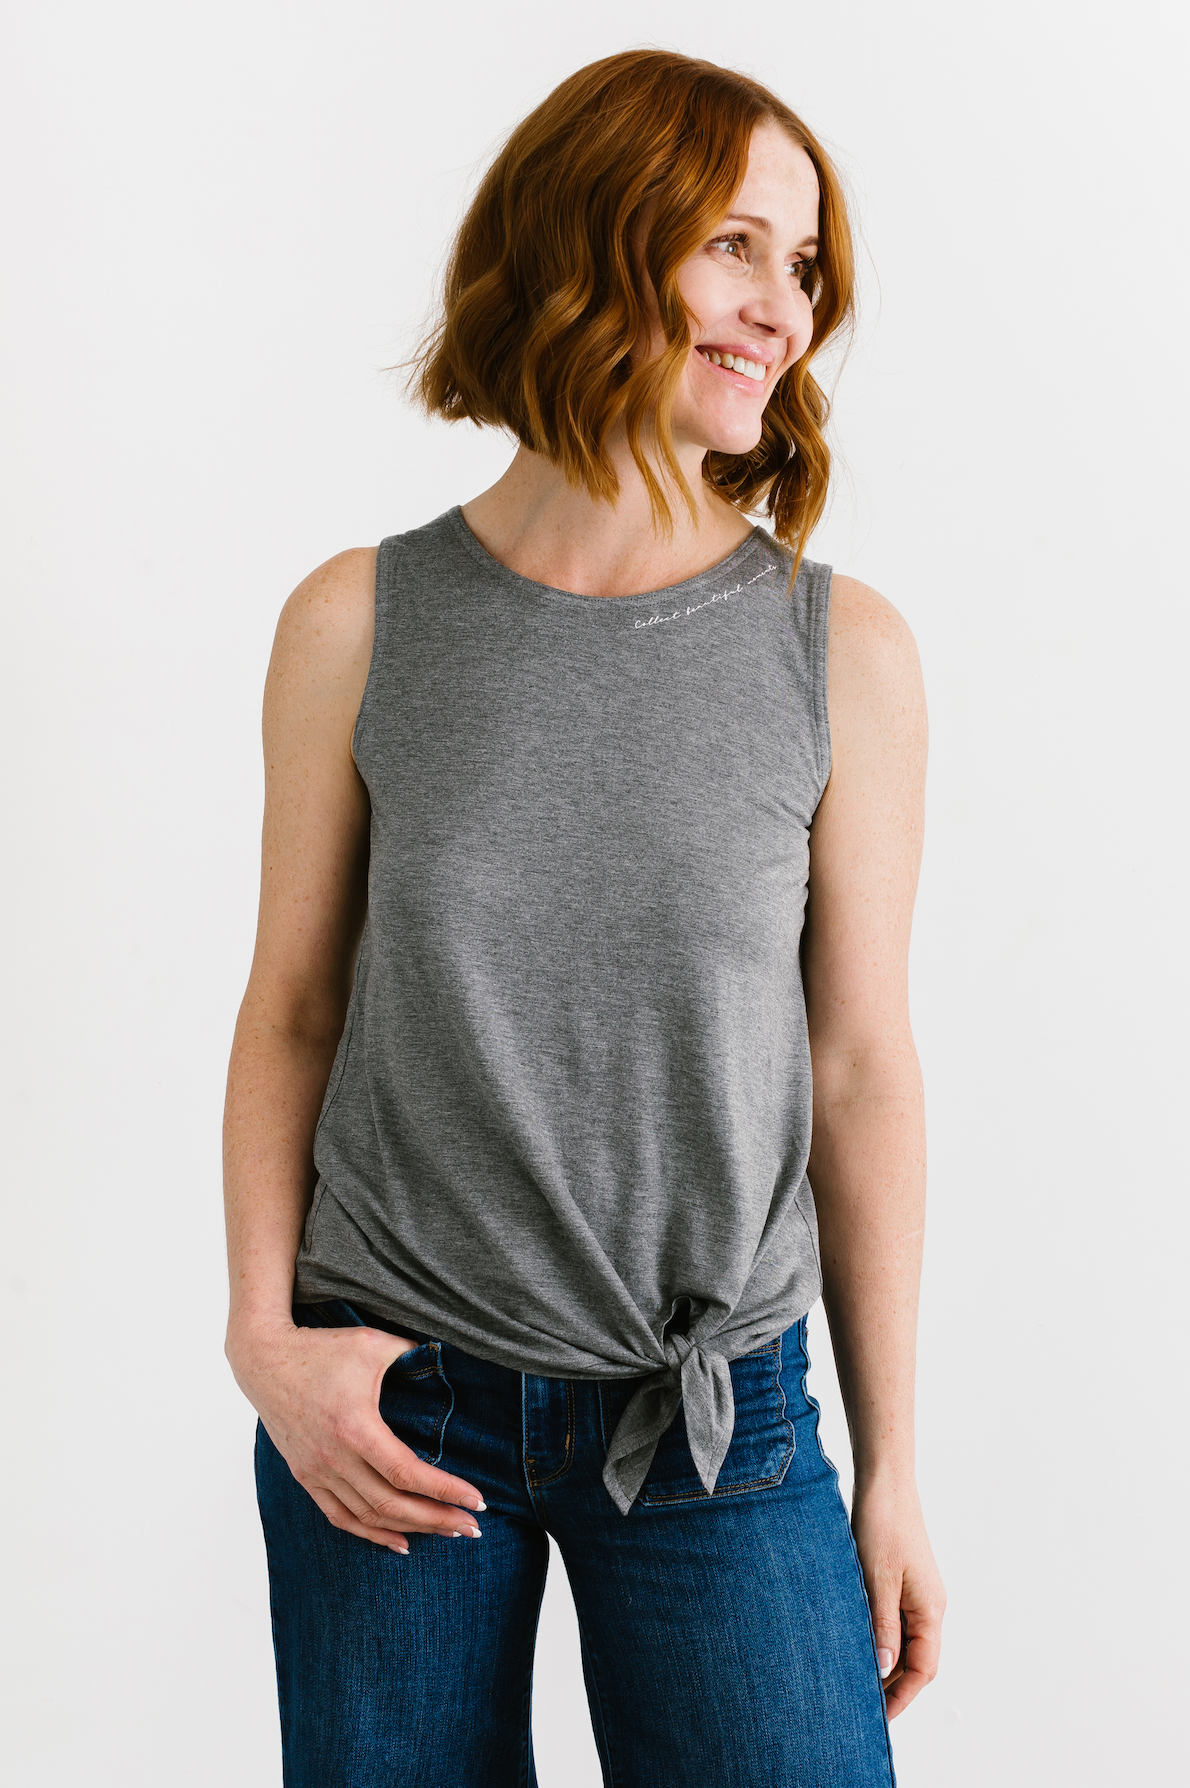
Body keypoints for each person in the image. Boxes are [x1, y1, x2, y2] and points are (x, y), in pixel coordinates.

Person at [222, 47, 945, 1788]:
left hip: (717, 1424)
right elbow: (294, 1010)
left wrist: (893, 1467)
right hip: (391, 1398)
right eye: (735, 247)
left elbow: (857, 1066)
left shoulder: (837, 652)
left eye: (802, 267)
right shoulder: (358, 621)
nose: (784, 310)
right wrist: (265, 1342)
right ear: (589, 242)